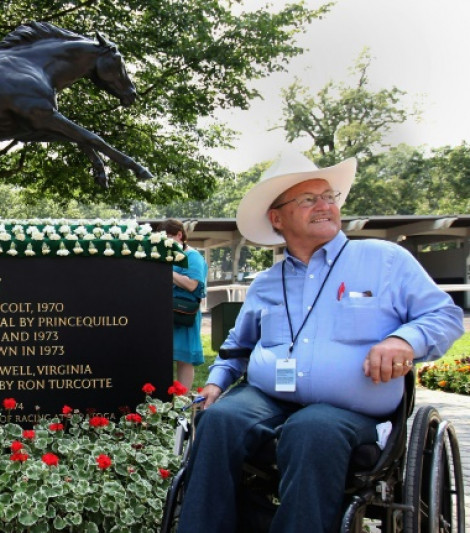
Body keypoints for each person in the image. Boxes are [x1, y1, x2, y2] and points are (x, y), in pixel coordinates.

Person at [176, 153, 465, 533]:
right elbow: (237, 345)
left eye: (329, 196)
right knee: (218, 421)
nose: (325, 205)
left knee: (311, 429)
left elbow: (445, 315)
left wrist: (404, 340)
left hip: (348, 409)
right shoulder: (266, 283)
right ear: (277, 218)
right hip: (267, 398)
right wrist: (215, 381)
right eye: (309, 199)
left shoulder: (385, 260)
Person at [158, 218, 207, 390]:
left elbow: (192, 284)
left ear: (180, 235)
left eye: (168, 237)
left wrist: (166, 270)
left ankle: (181, 400)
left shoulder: (193, 257)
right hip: (165, 311)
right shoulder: (168, 255)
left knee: (184, 359)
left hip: (184, 314)